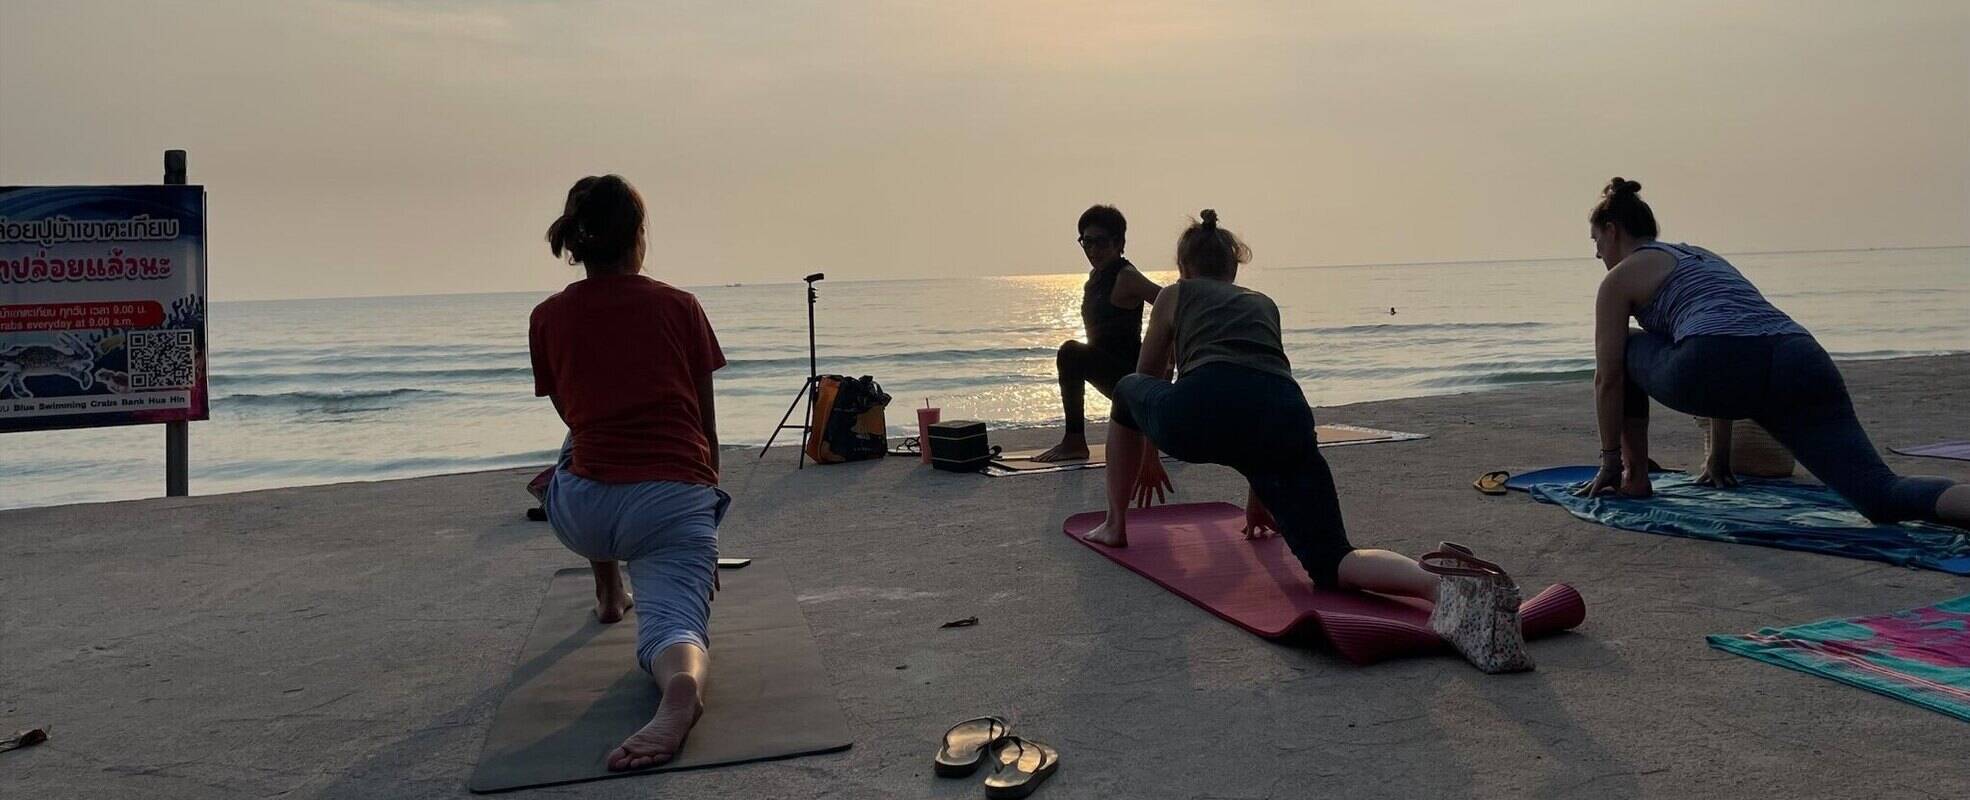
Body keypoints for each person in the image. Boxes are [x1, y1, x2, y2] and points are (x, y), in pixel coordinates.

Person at [1081, 209, 1534, 672]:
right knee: (1334, 560)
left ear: (1184, 268)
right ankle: (1438, 587)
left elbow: (1150, 375)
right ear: (1234, 268)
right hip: (1286, 414)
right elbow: (1259, 389)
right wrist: (1260, 497)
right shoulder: (1262, 303)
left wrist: (1150, 448)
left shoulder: (1176, 294)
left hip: (1202, 411)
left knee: (1126, 389)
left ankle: (1116, 525)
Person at [1576, 177, 1967, 528]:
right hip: (1799, 356)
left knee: (1622, 344)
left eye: (1596, 243)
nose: (1598, 256)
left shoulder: (1619, 279)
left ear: (1612, 231)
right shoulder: (1703, 257)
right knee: (1882, 493)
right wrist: (1719, 458)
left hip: (1719, 363)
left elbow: (1609, 378)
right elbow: (1729, 331)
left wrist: (1609, 459)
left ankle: (1633, 476)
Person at [529, 175, 730, 770]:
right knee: (675, 627)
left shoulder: (548, 317)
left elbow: (573, 413)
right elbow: (704, 425)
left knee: (577, 440)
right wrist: (703, 527)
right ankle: (681, 688)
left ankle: (609, 590)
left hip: (586, 515)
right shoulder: (679, 306)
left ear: (577, 244)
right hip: (671, 504)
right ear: (638, 237)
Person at [1032, 205, 1166, 463]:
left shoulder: (1127, 277)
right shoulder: (1096, 277)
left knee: (1071, 351)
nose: (1093, 250)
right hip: (1117, 381)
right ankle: (1075, 440)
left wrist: (1167, 357)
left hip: (1132, 382)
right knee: (1073, 352)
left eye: (1101, 243)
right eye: (1087, 242)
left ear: (1119, 243)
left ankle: (1074, 441)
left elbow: (1172, 304)